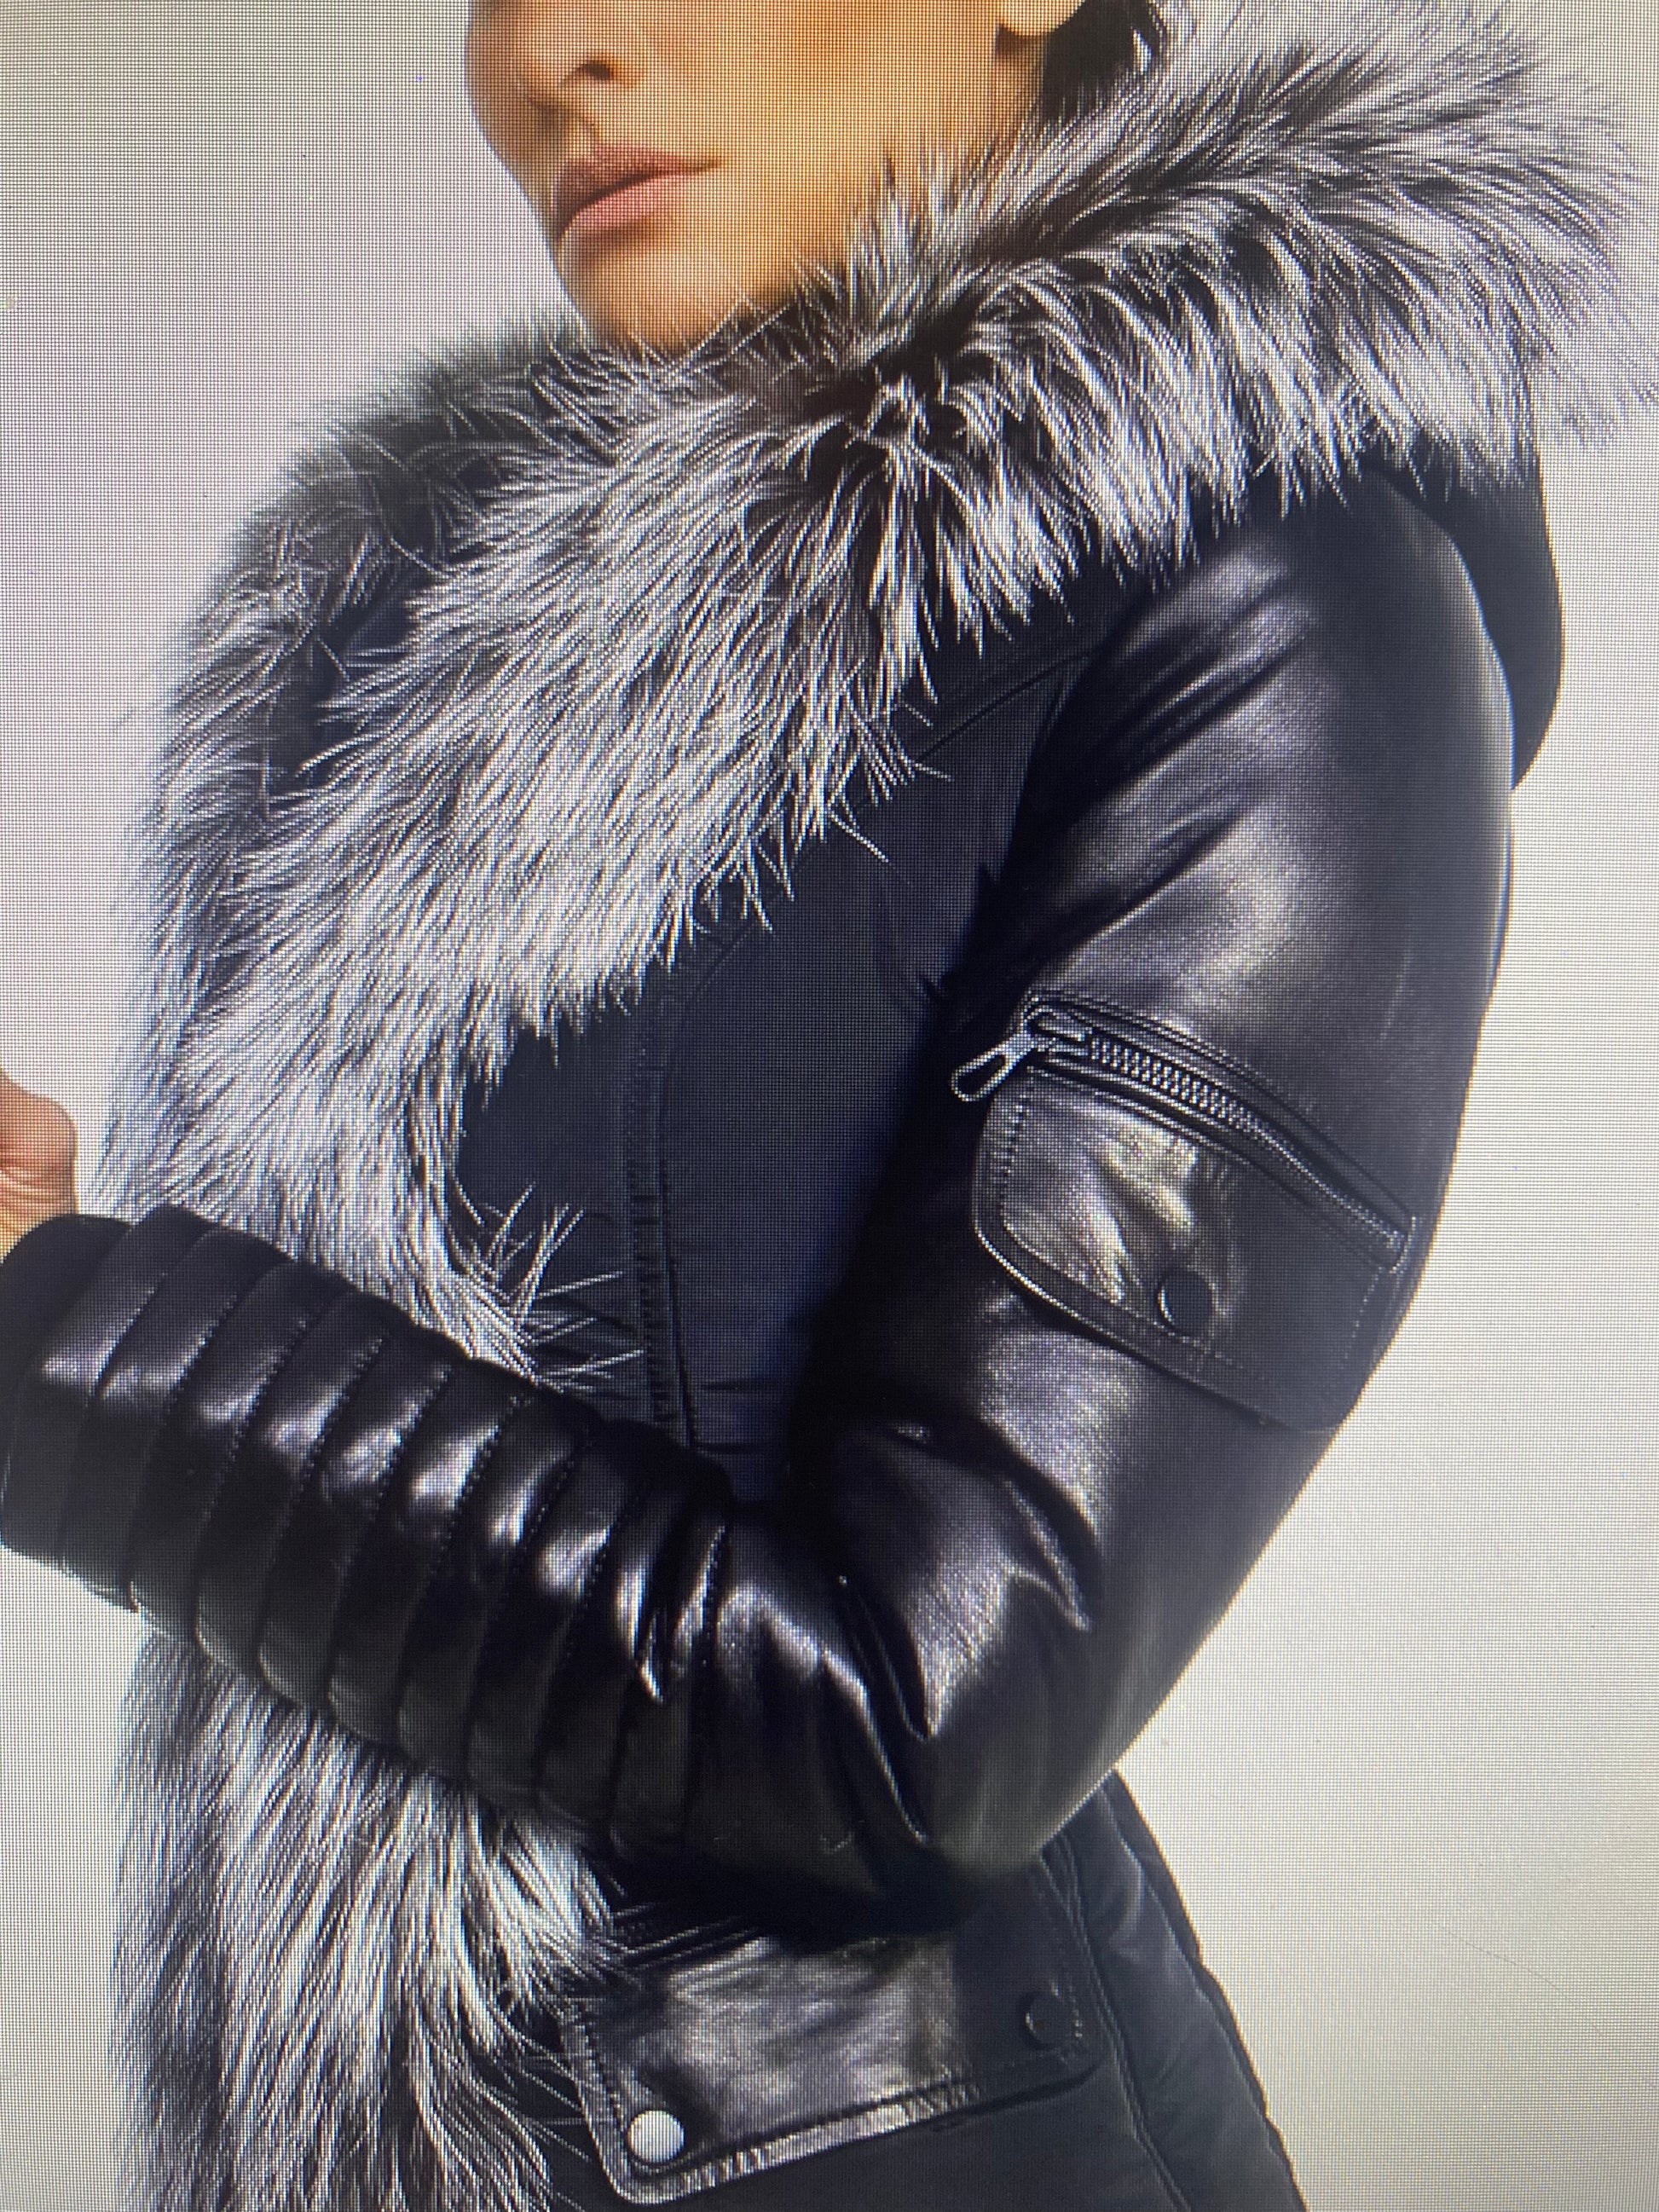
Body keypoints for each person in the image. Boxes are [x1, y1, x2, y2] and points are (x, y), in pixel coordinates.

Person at [0, 1, 1651, 2207]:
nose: (557, 55)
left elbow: (910, 1722)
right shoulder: (442, 663)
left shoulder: (1269, 616)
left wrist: (68, 1342)